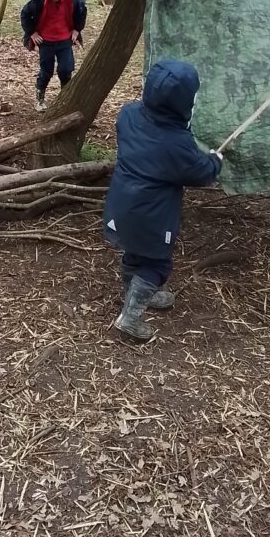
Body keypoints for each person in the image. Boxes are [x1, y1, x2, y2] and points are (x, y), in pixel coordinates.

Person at [103, 59, 223, 341]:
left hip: (121, 205)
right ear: (183, 103)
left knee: (134, 252)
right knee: (157, 264)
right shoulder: (176, 143)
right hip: (152, 216)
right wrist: (215, 161)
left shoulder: (128, 115)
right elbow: (200, 172)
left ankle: (135, 294)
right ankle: (130, 319)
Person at [21, 0, 87, 113]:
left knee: (66, 69)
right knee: (46, 71)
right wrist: (32, 33)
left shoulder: (74, 0)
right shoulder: (38, 1)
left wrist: (77, 29)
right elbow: (25, 14)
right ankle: (40, 99)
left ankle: (65, 98)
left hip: (65, 40)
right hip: (46, 41)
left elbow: (82, 12)